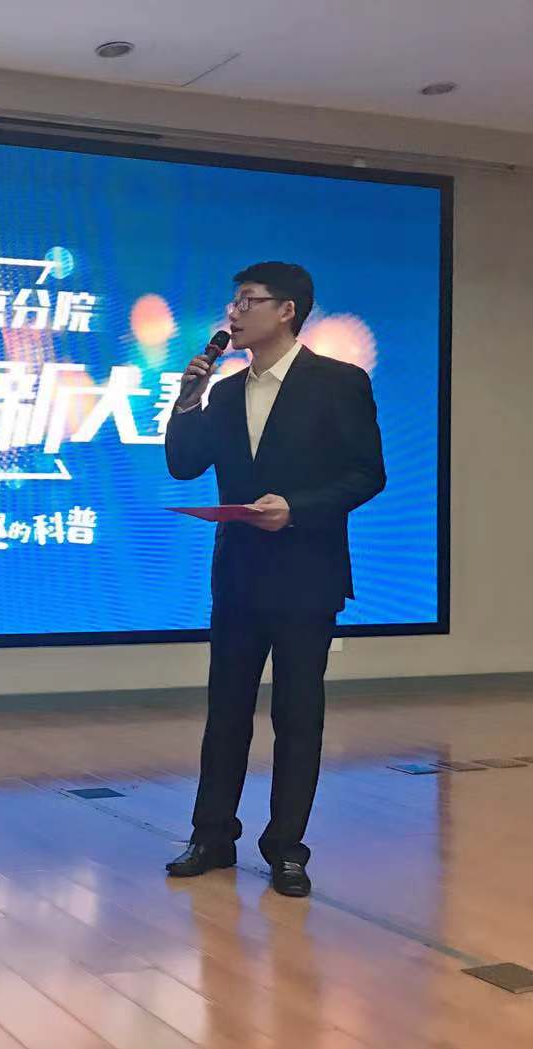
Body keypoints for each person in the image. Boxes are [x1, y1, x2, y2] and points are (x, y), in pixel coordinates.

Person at [163, 262, 385, 898]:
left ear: (287, 310)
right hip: (238, 575)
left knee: (298, 714)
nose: (233, 314)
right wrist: (188, 397)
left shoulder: (339, 382)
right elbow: (183, 465)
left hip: (306, 574)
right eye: (233, 302)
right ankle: (211, 836)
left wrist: (296, 508)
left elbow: (367, 475)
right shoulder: (228, 391)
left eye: (248, 301)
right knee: (226, 713)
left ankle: (286, 847)